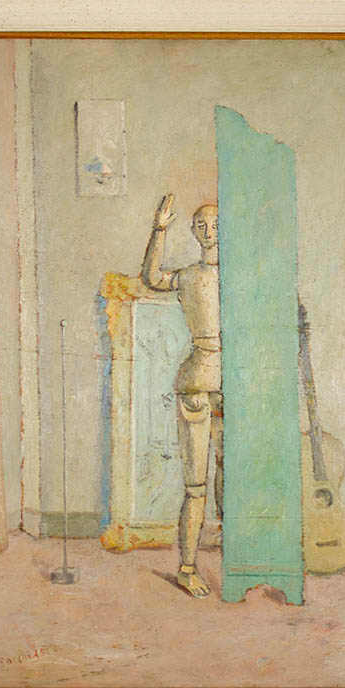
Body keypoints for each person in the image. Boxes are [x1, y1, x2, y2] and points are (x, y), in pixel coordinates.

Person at [140, 194, 222, 598]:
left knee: (228, 476)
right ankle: (188, 568)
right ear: (193, 232)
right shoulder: (191, 276)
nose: (209, 231)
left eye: (215, 224)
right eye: (201, 225)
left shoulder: (240, 275)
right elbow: (152, 278)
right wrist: (159, 229)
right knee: (196, 485)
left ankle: (231, 559)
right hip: (198, 381)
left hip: (228, 383)